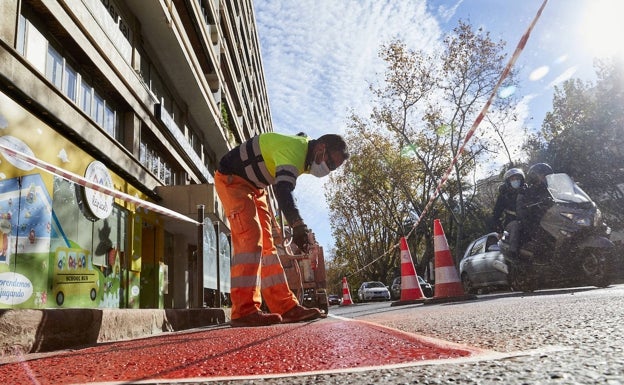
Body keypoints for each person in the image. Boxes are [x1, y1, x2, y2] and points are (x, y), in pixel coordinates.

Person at [215, 132, 349, 327]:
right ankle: (243, 310)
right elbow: (283, 190)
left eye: (334, 168)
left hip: (254, 188)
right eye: (331, 164)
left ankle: (285, 307)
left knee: (268, 246)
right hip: (232, 181)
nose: (329, 170)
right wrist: (297, 225)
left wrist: (297, 225)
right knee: (251, 239)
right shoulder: (295, 152)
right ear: (321, 148)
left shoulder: (304, 150)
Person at [512, 162, 554, 256]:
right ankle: (537, 257)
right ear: (534, 176)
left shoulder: (550, 189)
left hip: (551, 217)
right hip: (535, 220)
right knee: (541, 235)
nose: (545, 177)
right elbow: (521, 210)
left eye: (547, 175)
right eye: (543, 175)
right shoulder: (527, 190)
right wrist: (534, 205)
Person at [490, 167, 525, 234]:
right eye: (512, 179)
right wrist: (499, 230)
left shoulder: (527, 191)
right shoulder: (504, 196)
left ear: (522, 180)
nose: (515, 181)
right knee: (515, 226)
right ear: (508, 182)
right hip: (511, 223)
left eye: (517, 178)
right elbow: (496, 214)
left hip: (528, 221)